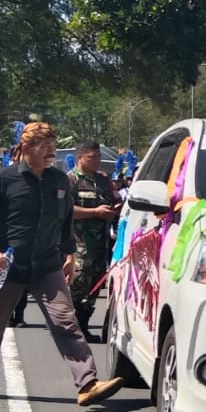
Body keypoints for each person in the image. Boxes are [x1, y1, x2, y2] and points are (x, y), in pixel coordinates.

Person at [0, 121, 121, 406]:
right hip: (10, 266)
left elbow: (64, 222)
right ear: (26, 148)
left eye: (53, 146)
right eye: (45, 147)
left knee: (66, 321)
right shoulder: (4, 179)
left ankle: (87, 383)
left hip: (48, 265)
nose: (52, 152)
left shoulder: (59, 181)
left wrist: (70, 255)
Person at [68, 142, 121, 341]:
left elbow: (115, 198)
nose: (97, 161)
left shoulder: (104, 180)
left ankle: (83, 325)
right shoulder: (71, 180)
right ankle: (71, 329)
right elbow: (66, 211)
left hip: (101, 243)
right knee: (77, 284)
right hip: (79, 244)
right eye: (92, 157)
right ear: (80, 157)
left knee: (94, 286)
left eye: (98, 157)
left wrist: (115, 207)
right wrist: (94, 212)